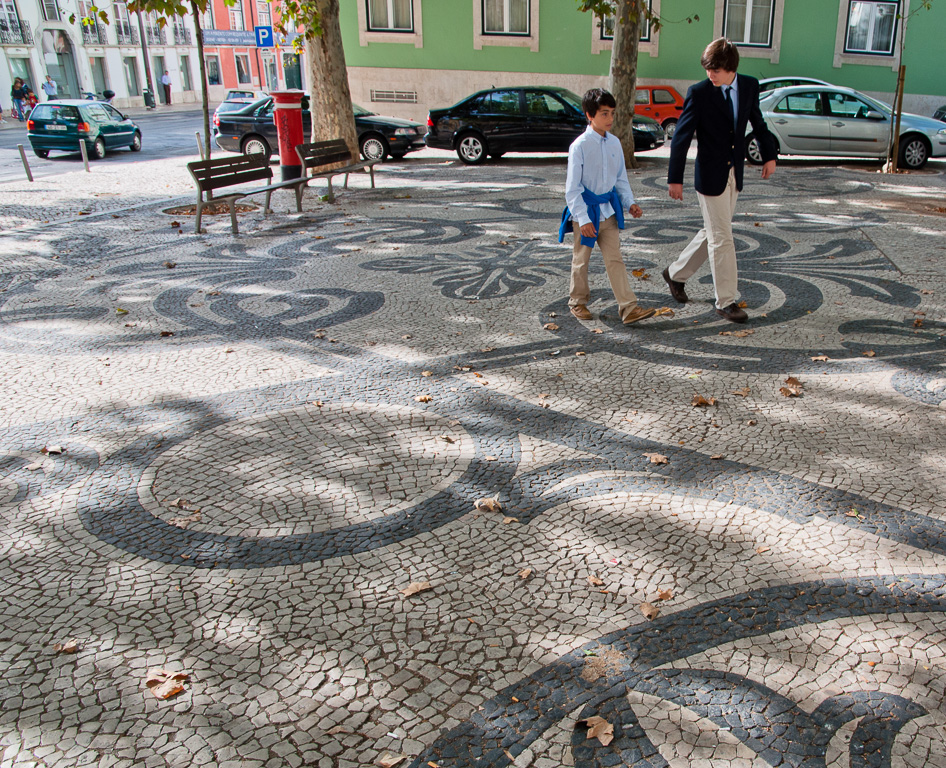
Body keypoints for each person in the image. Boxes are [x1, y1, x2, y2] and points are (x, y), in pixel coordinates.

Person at [663, 37, 778, 324]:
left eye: (714, 70)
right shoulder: (699, 92)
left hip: (734, 172)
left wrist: (769, 155)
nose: (709, 75)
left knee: (715, 231)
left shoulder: (749, 86)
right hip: (709, 175)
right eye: (707, 69)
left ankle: (675, 273)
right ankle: (726, 301)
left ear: (729, 68)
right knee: (722, 238)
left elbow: (758, 123)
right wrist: (674, 178)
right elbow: (681, 136)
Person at [558, 88, 657, 325]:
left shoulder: (614, 143)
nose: (610, 119)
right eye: (604, 113)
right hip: (585, 213)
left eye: (612, 113)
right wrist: (583, 218)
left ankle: (628, 308)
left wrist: (630, 202)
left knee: (615, 259)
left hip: (608, 213)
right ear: (589, 115)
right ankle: (577, 302)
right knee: (581, 260)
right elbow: (572, 189)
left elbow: (620, 178)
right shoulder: (579, 146)